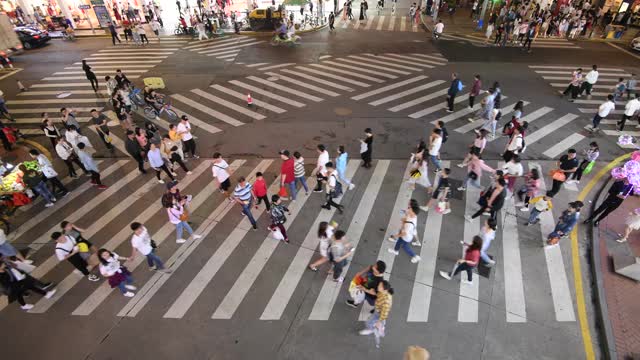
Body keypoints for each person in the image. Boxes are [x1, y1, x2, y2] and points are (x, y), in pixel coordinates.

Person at [358, 280, 393, 348]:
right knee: (380, 321)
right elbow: (375, 293)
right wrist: (364, 289)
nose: (378, 286)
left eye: (379, 286)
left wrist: (379, 321)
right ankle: (381, 325)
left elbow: (384, 313)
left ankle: (370, 329)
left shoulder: (386, 301)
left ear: (383, 288)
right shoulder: (382, 292)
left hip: (379, 313)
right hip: (378, 310)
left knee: (369, 322)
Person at [387, 199, 421, 263]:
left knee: (405, 246)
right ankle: (396, 248)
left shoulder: (409, 224)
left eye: (410, 209)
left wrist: (395, 235)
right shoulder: (413, 216)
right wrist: (404, 219)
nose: (409, 209)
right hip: (406, 233)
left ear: (413, 211)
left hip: (406, 237)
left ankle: (414, 256)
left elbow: (404, 233)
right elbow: (407, 218)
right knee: (400, 242)